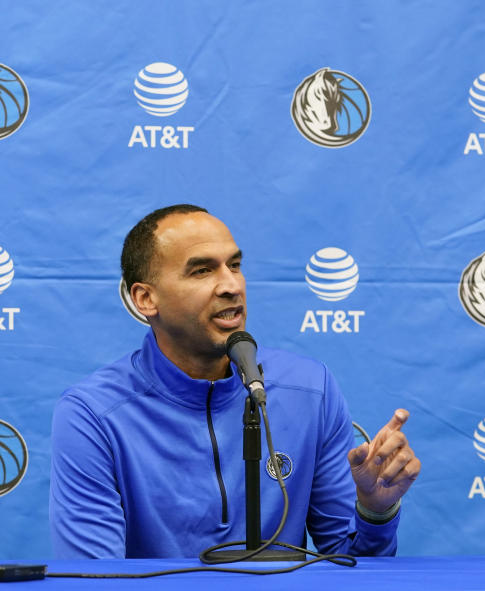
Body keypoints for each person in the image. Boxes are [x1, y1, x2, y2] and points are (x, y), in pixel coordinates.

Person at [50, 204, 421, 558]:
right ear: (146, 298)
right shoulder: (93, 415)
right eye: (202, 271)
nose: (231, 285)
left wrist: (375, 511)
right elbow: (97, 578)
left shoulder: (310, 389)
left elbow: (352, 565)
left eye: (235, 265)